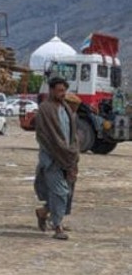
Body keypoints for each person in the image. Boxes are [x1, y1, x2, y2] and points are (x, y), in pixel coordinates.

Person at [33, 77, 80, 240]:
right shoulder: (45, 110)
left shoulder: (66, 108)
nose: (62, 94)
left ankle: (44, 212)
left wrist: (72, 154)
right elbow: (45, 136)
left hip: (67, 158)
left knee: (64, 193)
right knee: (60, 192)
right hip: (52, 159)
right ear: (51, 90)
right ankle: (57, 226)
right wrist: (59, 151)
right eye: (59, 90)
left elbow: (72, 135)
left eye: (64, 91)